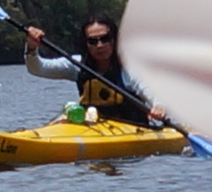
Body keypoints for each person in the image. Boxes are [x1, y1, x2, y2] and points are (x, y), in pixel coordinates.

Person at [23, 16, 163, 129]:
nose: (99, 45)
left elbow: (150, 91)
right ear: (86, 44)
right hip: (91, 127)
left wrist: (158, 106)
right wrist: (31, 47)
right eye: (93, 41)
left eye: (104, 39)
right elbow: (37, 69)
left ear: (114, 40)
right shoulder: (77, 65)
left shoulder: (130, 70)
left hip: (131, 129)